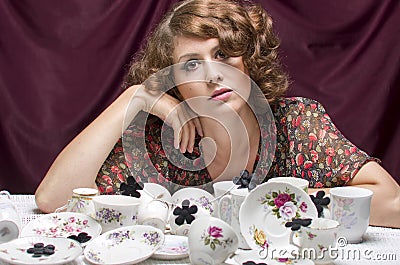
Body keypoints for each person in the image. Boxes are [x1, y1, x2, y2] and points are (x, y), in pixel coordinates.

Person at [35, 0, 400, 228]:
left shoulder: (297, 122)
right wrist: (136, 96)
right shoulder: (156, 141)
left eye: (224, 53)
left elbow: (394, 203)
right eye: (192, 64)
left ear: (248, 60)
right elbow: (53, 199)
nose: (214, 74)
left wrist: (269, 204)